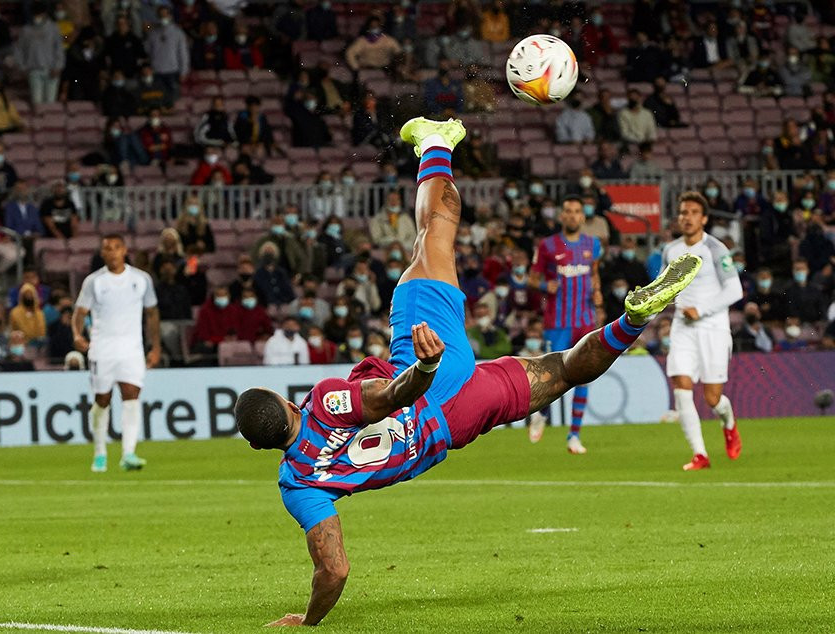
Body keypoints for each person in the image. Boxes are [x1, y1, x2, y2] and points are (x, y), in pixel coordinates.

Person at [236, 118, 703, 627]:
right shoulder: (324, 403)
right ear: (286, 404)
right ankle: (436, 143)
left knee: (565, 370)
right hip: (429, 371)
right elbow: (389, 397)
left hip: (453, 425)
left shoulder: (297, 485)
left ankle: (632, 320)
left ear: (262, 447)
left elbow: (336, 570)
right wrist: (425, 365)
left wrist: (309, 621)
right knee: (430, 237)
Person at [661, 192, 744, 471]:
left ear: (704, 219)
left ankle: (728, 422)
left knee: (712, 398)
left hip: (713, 328)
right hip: (683, 328)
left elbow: (735, 290)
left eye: (694, 212)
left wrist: (702, 309)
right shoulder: (670, 251)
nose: (687, 217)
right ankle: (700, 454)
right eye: (683, 212)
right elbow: (664, 288)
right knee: (682, 388)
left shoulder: (716, 249)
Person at [73, 234, 161, 473]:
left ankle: (128, 453)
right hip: (102, 349)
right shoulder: (94, 281)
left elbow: (152, 314)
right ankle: (100, 452)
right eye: (107, 249)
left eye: (116, 248)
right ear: (102, 254)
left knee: (131, 396)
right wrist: (77, 334)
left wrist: (156, 347)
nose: (112, 252)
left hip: (132, 348)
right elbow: (80, 312)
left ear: (124, 250)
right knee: (102, 400)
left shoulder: (141, 279)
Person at [527, 196, 603, 455]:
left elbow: (594, 273)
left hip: (585, 321)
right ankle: (542, 414)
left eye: (577, 211)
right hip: (557, 323)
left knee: (584, 375)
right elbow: (532, 278)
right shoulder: (547, 246)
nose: (572, 216)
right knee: (550, 376)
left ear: (583, 216)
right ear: (562, 216)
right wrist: (542, 286)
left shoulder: (593, 245)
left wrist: (598, 292)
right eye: (568, 211)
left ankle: (574, 435)